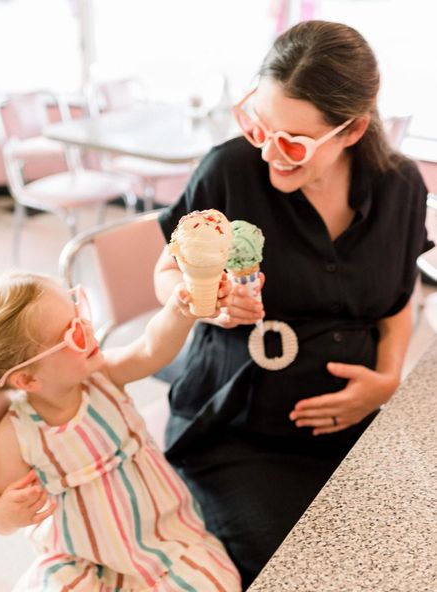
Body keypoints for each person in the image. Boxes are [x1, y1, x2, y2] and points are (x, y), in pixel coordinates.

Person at [153, 20, 432, 589]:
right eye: (260, 125)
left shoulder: (400, 187)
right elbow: (165, 271)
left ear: (352, 130)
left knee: (409, 553)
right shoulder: (228, 170)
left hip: (359, 422)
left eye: (294, 141)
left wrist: (387, 379)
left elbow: (397, 300)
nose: (269, 152)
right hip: (237, 427)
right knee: (307, 572)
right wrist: (198, 302)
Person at [0, 271, 241, 591]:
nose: (89, 330)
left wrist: (178, 312)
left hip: (165, 538)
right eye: (74, 335)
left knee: (216, 583)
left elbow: (151, 349)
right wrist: (7, 512)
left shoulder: (104, 376)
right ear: (27, 380)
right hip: (80, 557)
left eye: (80, 314)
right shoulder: (16, 434)